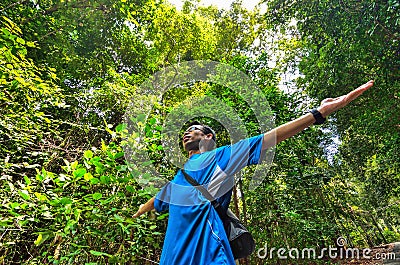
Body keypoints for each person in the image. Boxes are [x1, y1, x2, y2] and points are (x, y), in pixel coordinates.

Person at [133, 80, 374, 265]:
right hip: (172, 257)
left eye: (195, 129)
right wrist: (139, 211)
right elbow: (159, 199)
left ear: (208, 137)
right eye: (186, 130)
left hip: (208, 251)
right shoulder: (179, 177)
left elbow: (269, 138)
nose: (187, 132)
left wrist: (318, 113)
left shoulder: (221, 156)